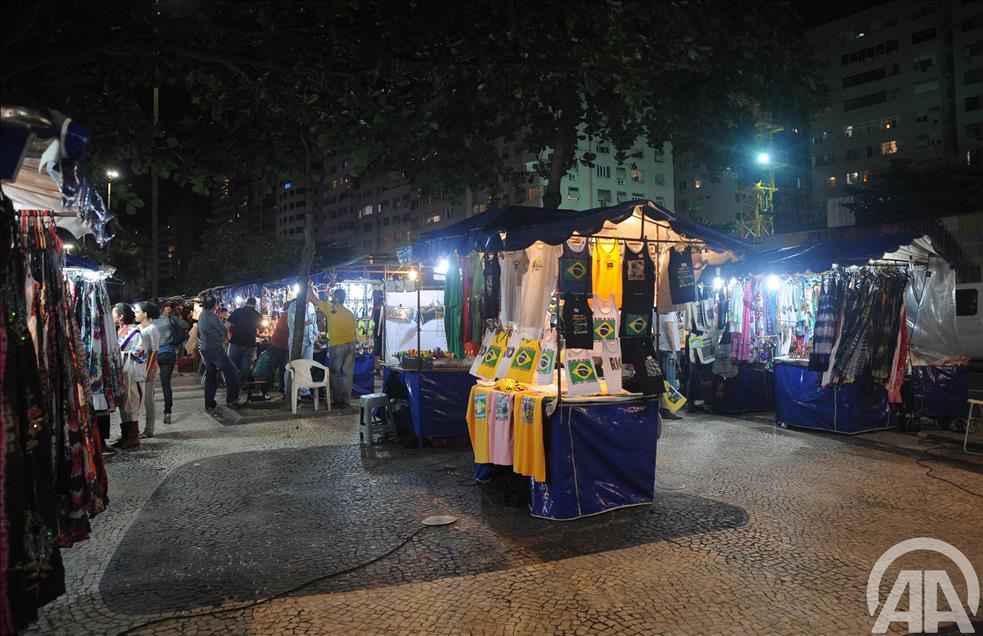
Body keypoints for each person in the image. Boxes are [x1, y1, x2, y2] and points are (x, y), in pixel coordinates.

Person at [198, 295, 245, 409]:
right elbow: (224, 330)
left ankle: (209, 402)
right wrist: (222, 338)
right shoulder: (211, 316)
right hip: (215, 349)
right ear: (215, 305)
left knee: (210, 376)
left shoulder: (202, 315)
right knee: (232, 372)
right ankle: (232, 399)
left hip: (206, 348)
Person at [112, 303, 148, 449]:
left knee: (131, 404)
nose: (112, 316)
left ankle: (133, 437)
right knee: (123, 404)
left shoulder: (134, 331)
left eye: (114, 314)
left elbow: (141, 352)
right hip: (123, 373)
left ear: (121, 317)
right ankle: (126, 435)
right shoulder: (118, 331)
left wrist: (119, 355)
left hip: (132, 374)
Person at [315, 287, 357, 408]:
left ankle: (338, 398)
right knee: (348, 374)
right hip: (351, 344)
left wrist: (308, 286)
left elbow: (314, 299)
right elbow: (354, 332)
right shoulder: (350, 313)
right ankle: (347, 399)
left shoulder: (331, 309)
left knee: (335, 372)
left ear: (336, 298)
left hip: (337, 345)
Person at [154, 301, 189, 425]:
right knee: (166, 384)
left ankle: (147, 415)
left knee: (148, 386)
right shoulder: (168, 318)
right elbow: (185, 325)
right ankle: (167, 412)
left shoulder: (148, 322)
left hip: (153, 355)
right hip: (168, 353)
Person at [135, 302, 161, 438]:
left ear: (145, 314)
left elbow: (155, 351)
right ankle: (137, 429)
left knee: (148, 400)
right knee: (139, 399)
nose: (135, 314)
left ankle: (149, 429)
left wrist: (149, 371)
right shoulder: (137, 327)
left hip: (148, 368)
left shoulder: (152, 329)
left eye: (137, 312)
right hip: (138, 368)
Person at [287, 290, 318, 398]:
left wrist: (315, 334)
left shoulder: (311, 306)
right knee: (292, 365)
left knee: (306, 366)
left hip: (309, 340)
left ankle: (304, 391)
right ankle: (289, 390)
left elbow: (314, 322)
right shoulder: (294, 306)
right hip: (297, 340)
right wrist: (306, 323)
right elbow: (291, 324)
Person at [228, 297, 261, 383]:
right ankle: (244, 383)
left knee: (232, 361)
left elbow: (227, 324)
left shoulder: (237, 311)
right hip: (250, 342)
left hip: (236, 340)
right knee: (246, 364)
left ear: (246, 303)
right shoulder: (257, 314)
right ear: (255, 305)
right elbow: (261, 330)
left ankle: (232, 381)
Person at [267, 300, 291, 396]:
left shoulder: (288, 314)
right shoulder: (287, 315)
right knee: (272, 367)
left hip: (286, 346)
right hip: (277, 344)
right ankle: (266, 388)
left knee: (284, 369)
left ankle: (282, 390)